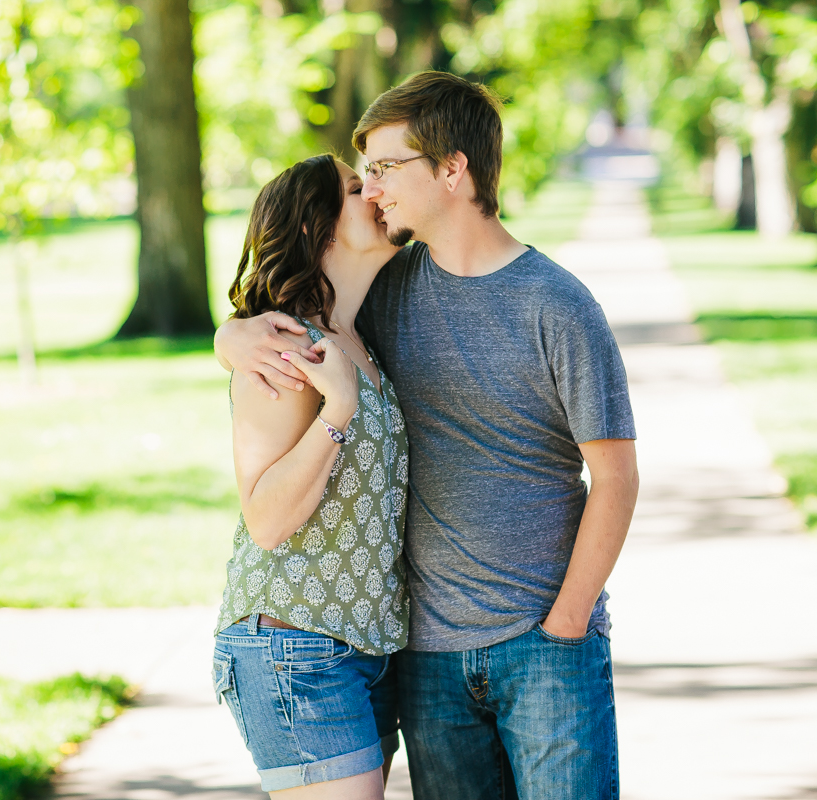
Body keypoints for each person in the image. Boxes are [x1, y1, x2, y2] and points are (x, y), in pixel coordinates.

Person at [214, 72, 639, 800]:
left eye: (385, 168)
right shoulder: (373, 300)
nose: (375, 188)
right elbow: (288, 330)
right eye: (364, 176)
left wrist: (567, 624)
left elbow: (618, 477)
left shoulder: (552, 304)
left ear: (452, 169)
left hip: (535, 645)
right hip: (409, 657)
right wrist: (235, 338)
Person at [211, 153, 411, 800]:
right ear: (314, 229)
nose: (377, 193)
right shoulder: (281, 349)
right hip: (295, 644)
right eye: (357, 188)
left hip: (365, 650)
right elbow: (265, 519)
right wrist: (339, 411)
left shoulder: (356, 338)